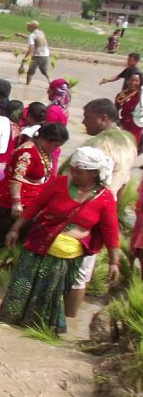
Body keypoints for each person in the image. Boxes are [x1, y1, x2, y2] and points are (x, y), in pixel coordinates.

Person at [0, 147, 120, 334]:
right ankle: (11, 319)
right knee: (23, 284)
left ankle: (37, 326)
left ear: (94, 174)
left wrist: (114, 262)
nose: (75, 175)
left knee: (50, 293)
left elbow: (111, 231)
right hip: (39, 245)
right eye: (73, 170)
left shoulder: (105, 198)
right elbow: (35, 205)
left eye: (80, 172)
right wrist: (15, 229)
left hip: (68, 256)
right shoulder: (60, 183)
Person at [62, 98, 138, 316]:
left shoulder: (100, 145)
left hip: (84, 209)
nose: (84, 122)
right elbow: (123, 181)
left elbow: (74, 179)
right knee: (85, 268)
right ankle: (70, 317)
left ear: (104, 118)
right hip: (106, 207)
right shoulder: (128, 141)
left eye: (88, 117)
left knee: (72, 265)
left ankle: (64, 315)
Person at [0, 122, 69, 246]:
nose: (56, 149)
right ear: (46, 140)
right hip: (15, 201)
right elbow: (16, 178)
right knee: (10, 237)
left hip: (32, 200)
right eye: (55, 145)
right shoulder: (27, 152)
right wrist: (16, 203)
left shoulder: (43, 150)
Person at [115, 69, 143, 149]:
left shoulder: (141, 95)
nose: (133, 83)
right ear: (127, 80)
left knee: (131, 148)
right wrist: (119, 123)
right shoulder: (121, 95)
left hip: (136, 126)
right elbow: (115, 110)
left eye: (136, 81)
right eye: (131, 80)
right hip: (123, 125)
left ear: (140, 82)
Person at [21, 20, 50, 85]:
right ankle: (50, 82)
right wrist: (21, 35)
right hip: (46, 54)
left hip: (37, 55)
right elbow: (36, 39)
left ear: (32, 27)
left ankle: (27, 86)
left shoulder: (32, 35)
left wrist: (26, 57)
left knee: (30, 72)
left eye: (29, 26)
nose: (27, 27)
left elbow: (31, 47)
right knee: (45, 71)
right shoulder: (41, 32)